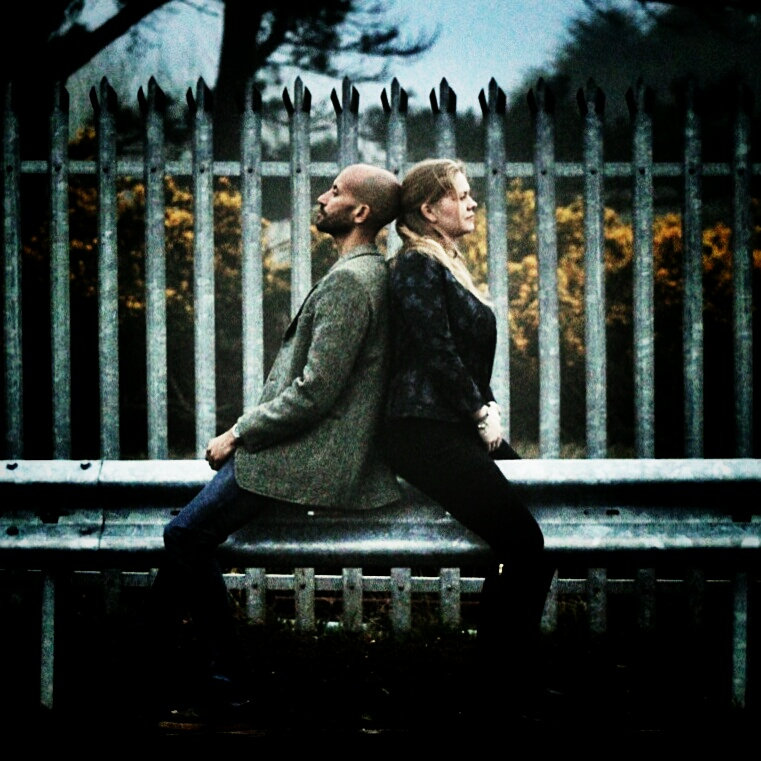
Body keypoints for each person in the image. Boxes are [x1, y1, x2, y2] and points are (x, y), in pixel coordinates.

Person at [146, 163, 403, 718]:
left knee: (185, 535)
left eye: (335, 191)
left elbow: (314, 392)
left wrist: (239, 432)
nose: (322, 198)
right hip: (311, 450)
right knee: (185, 538)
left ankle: (224, 675)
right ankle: (156, 670)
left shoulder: (351, 282)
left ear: (361, 212)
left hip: (304, 457)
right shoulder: (369, 274)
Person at [381, 158, 556, 725]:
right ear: (429, 211)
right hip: (423, 430)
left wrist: (489, 404)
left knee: (522, 540)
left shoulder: (445, 263)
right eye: (459, 195)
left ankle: (500, 678)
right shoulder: (415, 265)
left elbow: (465, 355)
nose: (472, 202)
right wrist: (479, 410)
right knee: (524, 542)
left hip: (448, 425)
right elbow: (434, 348)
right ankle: (500, 687)